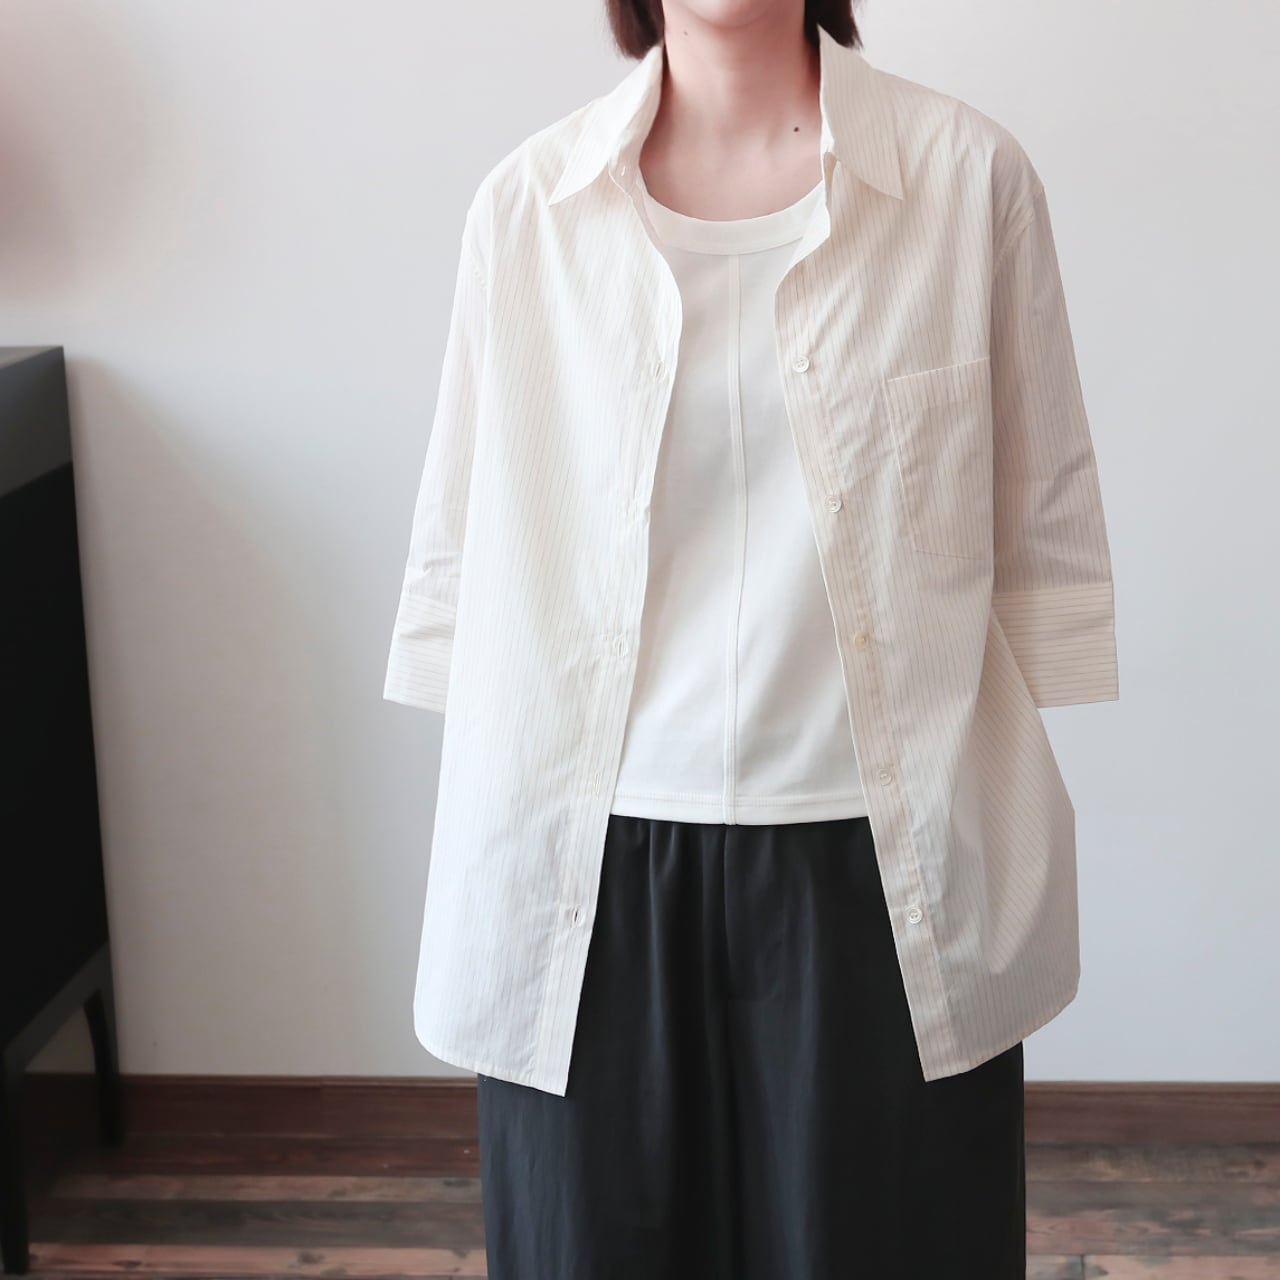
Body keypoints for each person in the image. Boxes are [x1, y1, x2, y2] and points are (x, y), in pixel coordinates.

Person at [383, 1, 1119, 1277]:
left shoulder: (966, 180)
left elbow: (1035, 528)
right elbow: (466, 551)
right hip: (590, 863)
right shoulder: (528, 210)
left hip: (876, 864)